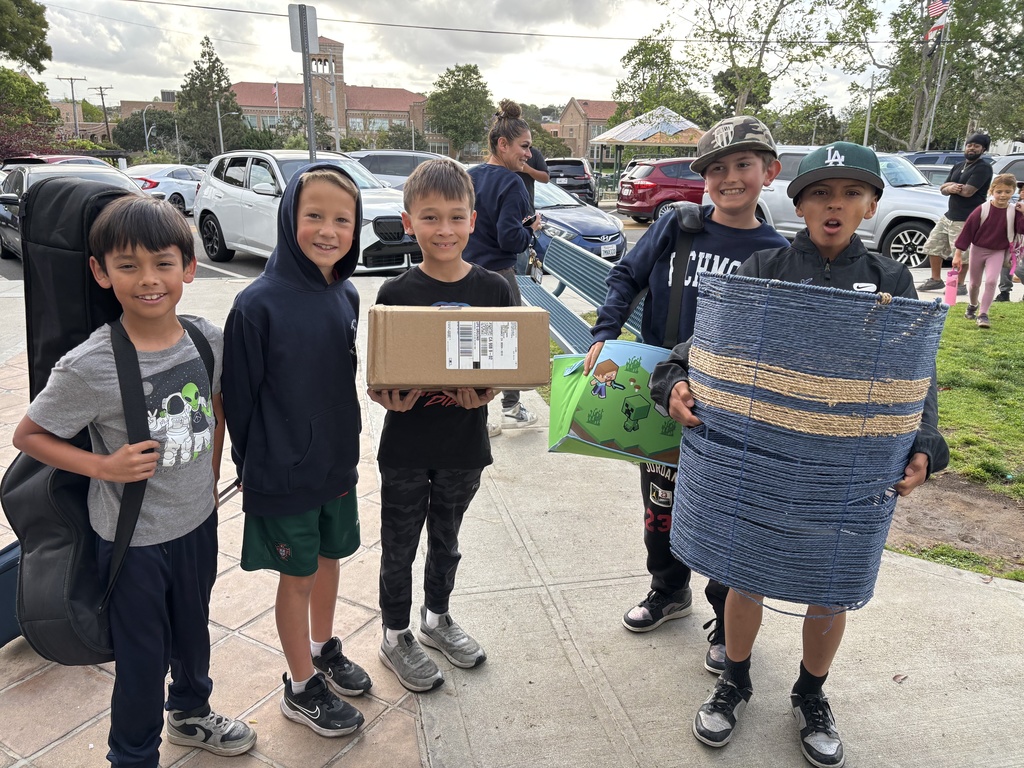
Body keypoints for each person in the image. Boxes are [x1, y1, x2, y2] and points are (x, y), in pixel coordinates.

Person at [651, 142, 949, 768]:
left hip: (847, 468)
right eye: (820, 193)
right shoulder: (765, 270)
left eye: (848, 193)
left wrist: (924, 442)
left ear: (870, 204)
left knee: (831, 585)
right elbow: (702, 344)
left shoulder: (893, 283)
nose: (833, 204)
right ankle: (735, 678)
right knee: (743, 573)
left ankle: (811, 693)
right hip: (761, 458)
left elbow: (915, 375)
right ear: (799, 203)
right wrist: (672, 380)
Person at [12, 196, 257, 765]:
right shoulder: (89, 365)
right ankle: (132, 754)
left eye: (163, 263)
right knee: (143, 658)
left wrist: (213, 475)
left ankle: (192, 713)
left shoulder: (206, 340)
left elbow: (216, 410)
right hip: (132, 542)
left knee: (194, 630)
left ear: (188, 268)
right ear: (101, 272)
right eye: (128, 265)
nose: (149, 279)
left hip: (196, 524)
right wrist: (103, 466)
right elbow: (29, 437)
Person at [585, 116, 789, 673]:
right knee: (662, 505)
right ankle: (667, 588)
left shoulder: (777, 254)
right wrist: (605, 336)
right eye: (716, 168)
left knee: (725, 512)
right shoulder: (678, 225)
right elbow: (626, 277)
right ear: (702, 179)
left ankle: (727, 617)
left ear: (768, 172)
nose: (729, 178)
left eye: (743, 165)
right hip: (659, 390)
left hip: (730, 408)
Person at [222, 164, 371, 737]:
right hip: (282, 474)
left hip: (334, 463)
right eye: (314, 216)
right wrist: (253, 472)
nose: (328, 230)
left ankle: (321, 647)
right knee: (298, 576)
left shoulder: (347, 294)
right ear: (289, 219)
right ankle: (301, 685)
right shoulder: (256, 305)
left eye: (343, 220)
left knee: (332, 559)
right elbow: (238, 399)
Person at [368, 159, 513, 691]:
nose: (445, 230)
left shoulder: (495, 290)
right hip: (406, 444)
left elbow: (503, 366)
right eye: (431, 218)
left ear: (473, 220)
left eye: (456, 217)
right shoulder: (395, 294)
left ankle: (436, 619)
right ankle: (394, 633)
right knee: (399, 544)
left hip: (463, 443)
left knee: (446, 540)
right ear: (409, 223)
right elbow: (379, 378)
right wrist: (386, 396)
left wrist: (489, 392)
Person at [464, 99, 544, 435]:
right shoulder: (512, 183)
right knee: (504, 347)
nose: (528, 154)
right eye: (524, 147)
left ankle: (476, 416)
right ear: (503, 144)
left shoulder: (468, 176)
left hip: (465, 274)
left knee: (472, 348)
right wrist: (532, 230)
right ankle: (510, 407)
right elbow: (510, 237)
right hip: (498, 276)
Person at [918, 133, 994, 294]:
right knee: (933, 246)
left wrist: (951, 187)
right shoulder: (959, 165)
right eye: (969, 145)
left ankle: (959, 285)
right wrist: (951, 187)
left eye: (976, 146)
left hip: (966, 219)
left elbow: (967, 192)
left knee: (962, 254)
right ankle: (936, 280)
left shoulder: (983, 168)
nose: (972, 148)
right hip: (949, 216)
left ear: (983, 149)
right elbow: (943, 188)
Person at [951, 173, 1024, 327]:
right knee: (974, 284)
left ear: (1013, 192)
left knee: (991, 281)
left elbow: (1021, 229)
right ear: (992, 191)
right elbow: (967, 232)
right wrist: (958, 254)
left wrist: (1023, 212)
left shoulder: (1014, 211)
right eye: (999, 192)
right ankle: (972, 305)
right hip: (977, 249)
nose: (1003, 195)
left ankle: (983, 314)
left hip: (997, 252)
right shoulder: (982, 209)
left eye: (1007, 192)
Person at [518, 145, 550, 213]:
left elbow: (546, 178)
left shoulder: (534, 153)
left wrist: (528, 170)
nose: (528, 155)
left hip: (527, 209)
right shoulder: (506, 153)